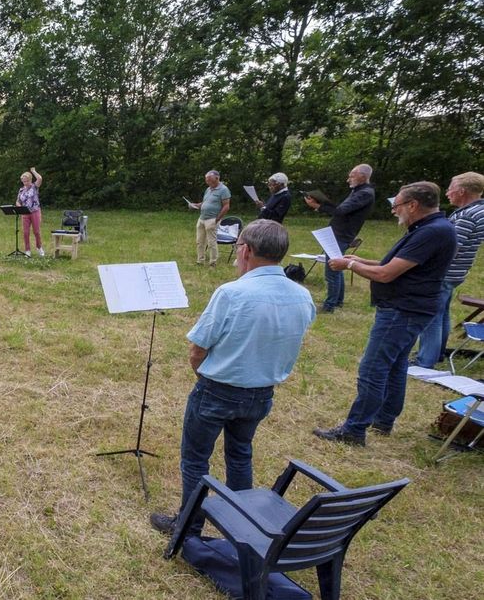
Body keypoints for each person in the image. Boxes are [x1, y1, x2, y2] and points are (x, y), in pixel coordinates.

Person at [150, 220, 316, 537]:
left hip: (217, 390)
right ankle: (241, 526)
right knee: (240, 454)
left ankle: (188, 526)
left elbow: (197, 350)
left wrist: (207, 379)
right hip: (262, 393)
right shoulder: (302, 296)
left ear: (246, 250)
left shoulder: (232, 293)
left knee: (196, 460)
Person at [314, 182, 457, 445]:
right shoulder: (430, 229)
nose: (394, 210)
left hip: (402, 310)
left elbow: (386, 274)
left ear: (413, 205)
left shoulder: (432, 232)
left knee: (373, 368)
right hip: (409, 308)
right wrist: (354, 260)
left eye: (397, 204)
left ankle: (354, 430)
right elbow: (388, 264)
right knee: (396, 365)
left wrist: (349, 265)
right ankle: (383, 419)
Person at [414, 172, 484, 368]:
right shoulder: (477, 210)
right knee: (442, 312)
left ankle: (424, 361)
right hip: (456, 272)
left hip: (444, 272)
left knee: (431, 315)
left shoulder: (467, 215)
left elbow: (451, 247)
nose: (447, 192)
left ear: (462, 191)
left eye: (451, 188)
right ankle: (436, 354)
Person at [304, 164, 375, 313]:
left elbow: (341, 210)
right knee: (337, 268)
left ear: (363, 176)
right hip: (338, 233)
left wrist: (318, 205)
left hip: (342, 234)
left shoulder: (365, 193)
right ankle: (338, 301)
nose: (348, 179)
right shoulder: (359, 191)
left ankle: (329, 305)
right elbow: (341, 209)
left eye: (352, 175)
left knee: (332, 269)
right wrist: (321, 204)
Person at [188, 170, 231, 266]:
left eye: (210, 180)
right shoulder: (208, 189)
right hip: (202, 218)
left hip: (212, 219)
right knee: (199, 241)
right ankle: (200, 261)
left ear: (217, 178)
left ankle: (213, 262)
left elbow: (226, 206)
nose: (208, 182)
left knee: (211, 242)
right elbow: (204, 203)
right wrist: (195, 205)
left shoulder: (224, 190)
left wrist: (217, 219)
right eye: (206, 180)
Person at [16, 167, 44, 257]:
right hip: (25, 213)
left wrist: (33, 171)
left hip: (35, 211)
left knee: (36, 231)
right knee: (26, 232)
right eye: (24, 181)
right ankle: (27, 250)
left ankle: (39, 247)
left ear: (30, 180)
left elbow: (39, 178)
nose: (25, 183)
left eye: (27, 181)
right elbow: (18, 201)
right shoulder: (21, 190)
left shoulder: (34, 187)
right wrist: (19, 206)